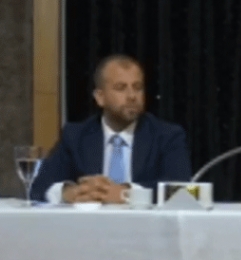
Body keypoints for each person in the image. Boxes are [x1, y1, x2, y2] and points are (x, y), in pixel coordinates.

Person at [31, 54, 192, 204]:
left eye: (137, 87)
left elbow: (179, 189)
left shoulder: (167, 135)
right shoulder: (75, 136)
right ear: (100, 97)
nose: (132, 96)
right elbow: (38, 188)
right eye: (121, 88)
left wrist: (126, 194)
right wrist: (70, 193)